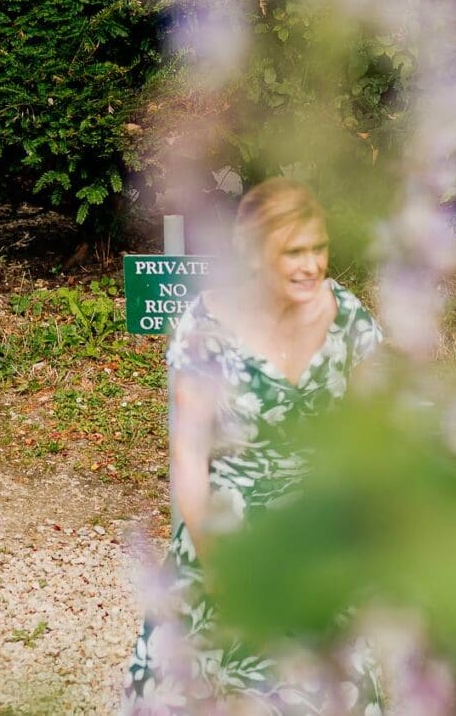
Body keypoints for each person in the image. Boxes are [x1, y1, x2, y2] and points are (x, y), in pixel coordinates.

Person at [124, 178, 387, 711]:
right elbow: (189, 457)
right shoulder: (206, 327)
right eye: (294, 251)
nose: (312, 265)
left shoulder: (351, 320)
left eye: (319, 248)